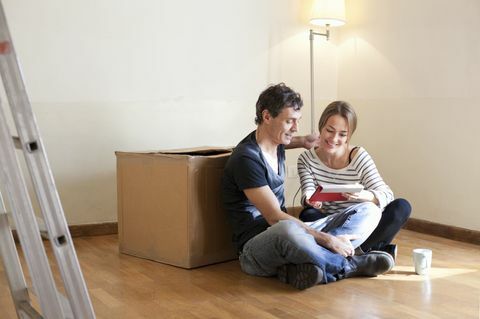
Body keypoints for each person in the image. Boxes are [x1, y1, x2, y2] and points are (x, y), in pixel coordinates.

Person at [221, 83, 394, 290]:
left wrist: (304, 141)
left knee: (370, 210)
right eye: (290, 121)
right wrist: (327, 240)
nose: (295, 128)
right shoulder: (246, 159)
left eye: (297, 121)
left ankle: (305, 268)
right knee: (287, 228)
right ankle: (350, 264)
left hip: (294, 236)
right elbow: (274, 217)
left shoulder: (276, 141)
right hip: (257, 246)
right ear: (267, 117)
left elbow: (289, 139)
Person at [297, 100, 411, 260]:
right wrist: (310, 200)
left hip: (362, 224)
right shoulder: (306, 159)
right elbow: (307, 191)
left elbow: (387, 194)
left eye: (342, 134)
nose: (334, 138)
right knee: (308, 214)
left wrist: (366, 195)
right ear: (321, 128)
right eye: (329, 130)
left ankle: (342, 252)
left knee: (402, 207)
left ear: (349, 136)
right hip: (333, 224)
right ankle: (365, 253)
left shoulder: (358, 157)